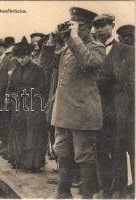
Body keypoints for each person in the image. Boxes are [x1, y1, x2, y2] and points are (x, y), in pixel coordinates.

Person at [40, 7, 106, 198]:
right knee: (62, 153)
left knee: (84, 156)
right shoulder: (68, 47)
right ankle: (63, 193)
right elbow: (45, 65)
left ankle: (87, 196)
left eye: (75, 26)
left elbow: (88, 63)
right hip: (64, 112)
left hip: (83, 112)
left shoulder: (96, 47)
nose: (70, 30)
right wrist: (51, 42)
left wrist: (74, 37)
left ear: (86, 28)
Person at [94, 14, 135, 198]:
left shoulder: (127, 51)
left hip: (119, 109)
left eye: (103, 25)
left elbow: (128, 83)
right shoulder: (91, 50)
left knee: (118, 150)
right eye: (96, 26)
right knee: (100, 149)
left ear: (112, 25)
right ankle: (105, 189)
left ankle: (118, 190)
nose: (99, 29)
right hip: (96, 108)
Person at [7, 39, 47, 172]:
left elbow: (43, 89)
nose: (21, 60)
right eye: (18, 58)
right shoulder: (16, 71)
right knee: (18, 132)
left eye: (23, 57)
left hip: (33, 107)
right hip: (18, 107)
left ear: (29, 55)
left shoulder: (38, 70)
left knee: (32, 134)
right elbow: (11, 88)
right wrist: (11, 96)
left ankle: (32, 164)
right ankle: (17, 160)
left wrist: (26, 92)